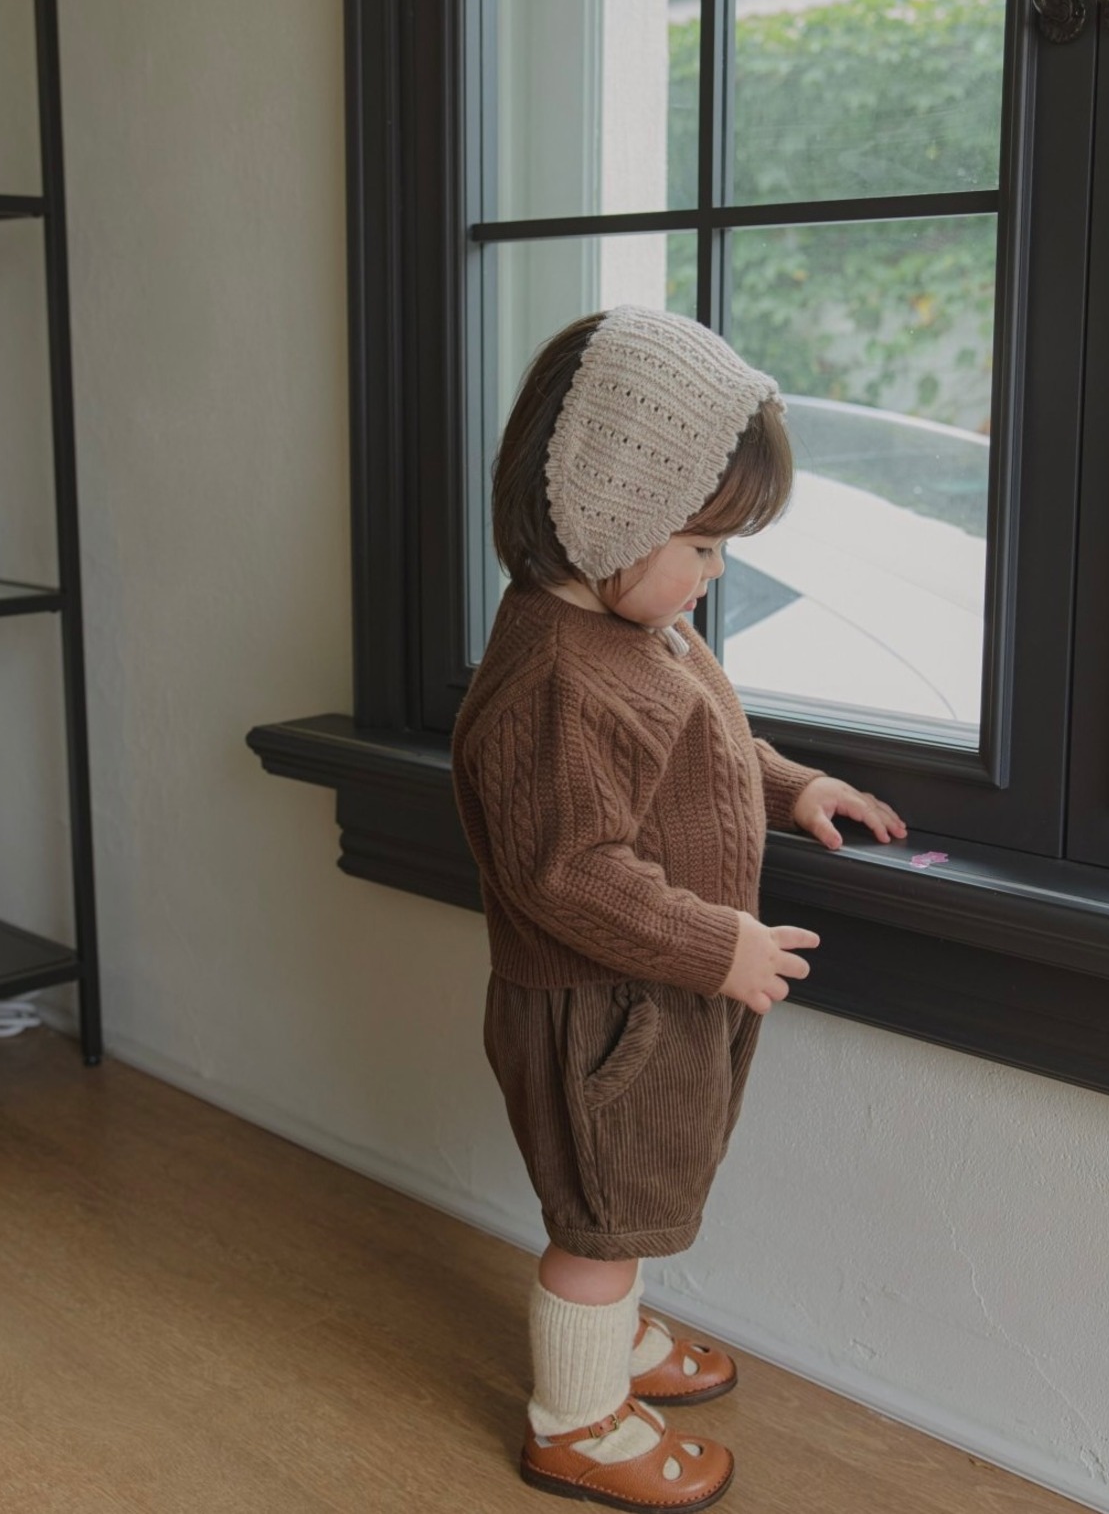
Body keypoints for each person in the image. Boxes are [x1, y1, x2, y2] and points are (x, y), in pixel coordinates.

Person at [451, 304, 907, 1511]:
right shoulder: (555, 681)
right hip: (601, 1011)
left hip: (652, 998)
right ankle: (577, 1422)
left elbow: (703, 747)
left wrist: (792, 786)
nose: (714, 573)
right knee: (598, 1224)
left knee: (640, 1188)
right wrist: (716, 945)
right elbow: (567, 871)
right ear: (610, 515)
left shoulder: (640, 630)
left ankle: (617, 1341)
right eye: (701, 545)